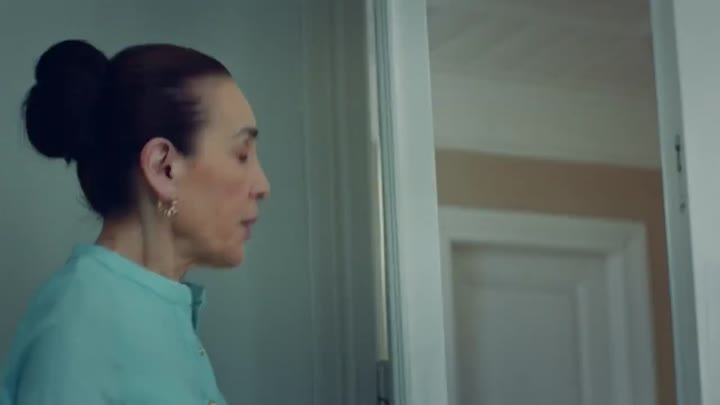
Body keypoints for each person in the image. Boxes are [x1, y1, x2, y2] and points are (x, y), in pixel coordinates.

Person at [0, 39, 269, 404]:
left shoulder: (143, 305)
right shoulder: (81, 326)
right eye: (241, 154)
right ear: (164, 168)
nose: (263, 186)